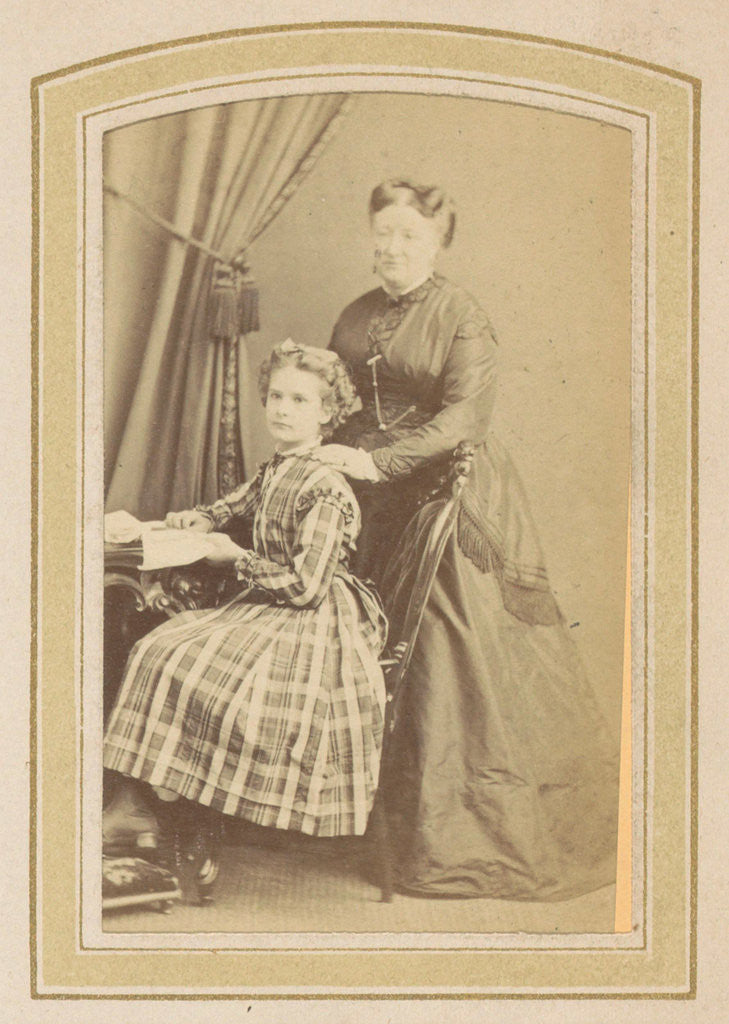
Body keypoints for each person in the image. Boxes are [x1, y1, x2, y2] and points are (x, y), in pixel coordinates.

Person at [312, 179, 620, 901]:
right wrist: (330, 455)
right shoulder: (355, 314)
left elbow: (462, 420)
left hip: (444, 492)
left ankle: (448, 836)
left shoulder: (459, 314)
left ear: (437, 243)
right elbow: (335, 399)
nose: (391, 248)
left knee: (445, 646)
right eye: (382, 233)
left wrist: (377, 459)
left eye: (409, 237)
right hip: (366, 494)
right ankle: (358, 822)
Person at [103, 340, 387, 857]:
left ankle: (163, 801)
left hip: (313, 620)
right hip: (272, 603)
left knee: (173, 654)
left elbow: (306, 587)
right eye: (276, 396)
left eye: (299, 401)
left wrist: (236, 559)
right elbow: (243, 500)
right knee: (157, 644)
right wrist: (205, 518)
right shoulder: (282, 464)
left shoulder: (326, 485)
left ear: (327, 413)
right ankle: (149, 801)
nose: (282, 409)